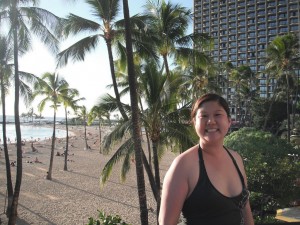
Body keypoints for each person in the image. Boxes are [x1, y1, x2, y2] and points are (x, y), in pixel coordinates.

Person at [158, 93, 254, 225]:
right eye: (204, 116)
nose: (211, 121)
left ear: (229, 121)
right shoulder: (183, 166)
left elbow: (245, 208)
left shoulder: (236, 159)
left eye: (218, 114)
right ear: (194, 123)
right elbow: (166, 223)